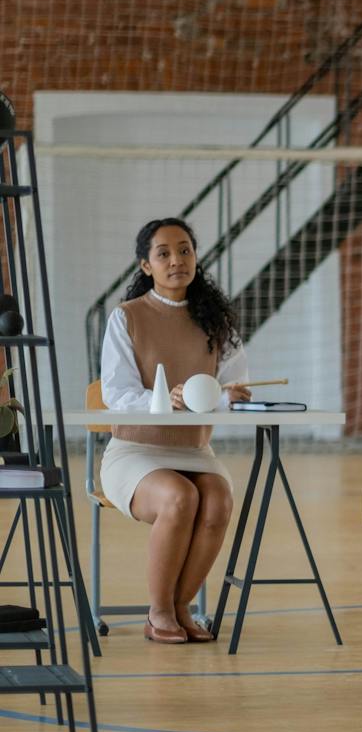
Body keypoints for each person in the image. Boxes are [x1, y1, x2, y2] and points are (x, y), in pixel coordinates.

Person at [99, 218, 252, 643]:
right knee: (180, 497)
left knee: (218, 498)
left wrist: (229, 398)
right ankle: (159, 611)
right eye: (163, 253)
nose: (176, 260)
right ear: (146, 265)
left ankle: (182, 608)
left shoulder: (217, 321)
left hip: (194, 451)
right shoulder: (125, 317)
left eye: (184, 250)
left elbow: (228, 391)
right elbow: (116, 394)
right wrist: (168, 400)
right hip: (134, 452)